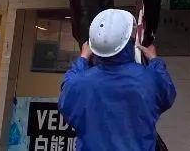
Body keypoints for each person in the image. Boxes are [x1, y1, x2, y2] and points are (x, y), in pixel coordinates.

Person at [59, 8, 176, 151]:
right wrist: (154, 60)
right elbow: (167, 94)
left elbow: (67, 95)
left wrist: (83, 58)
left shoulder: (79, 83)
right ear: (129, 40)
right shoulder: (148, 79)